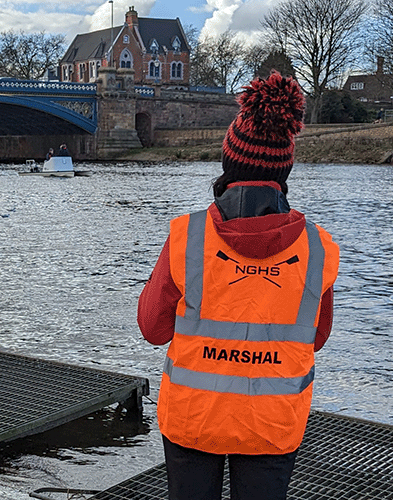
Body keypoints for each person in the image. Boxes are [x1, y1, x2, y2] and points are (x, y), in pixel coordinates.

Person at [137, 70, 341, 500]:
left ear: (228, 162)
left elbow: (153, 329)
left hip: (193, 418)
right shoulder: (318, 249)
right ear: (285, 167)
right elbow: (316, 337)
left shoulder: (187, 238)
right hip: (272, 422)